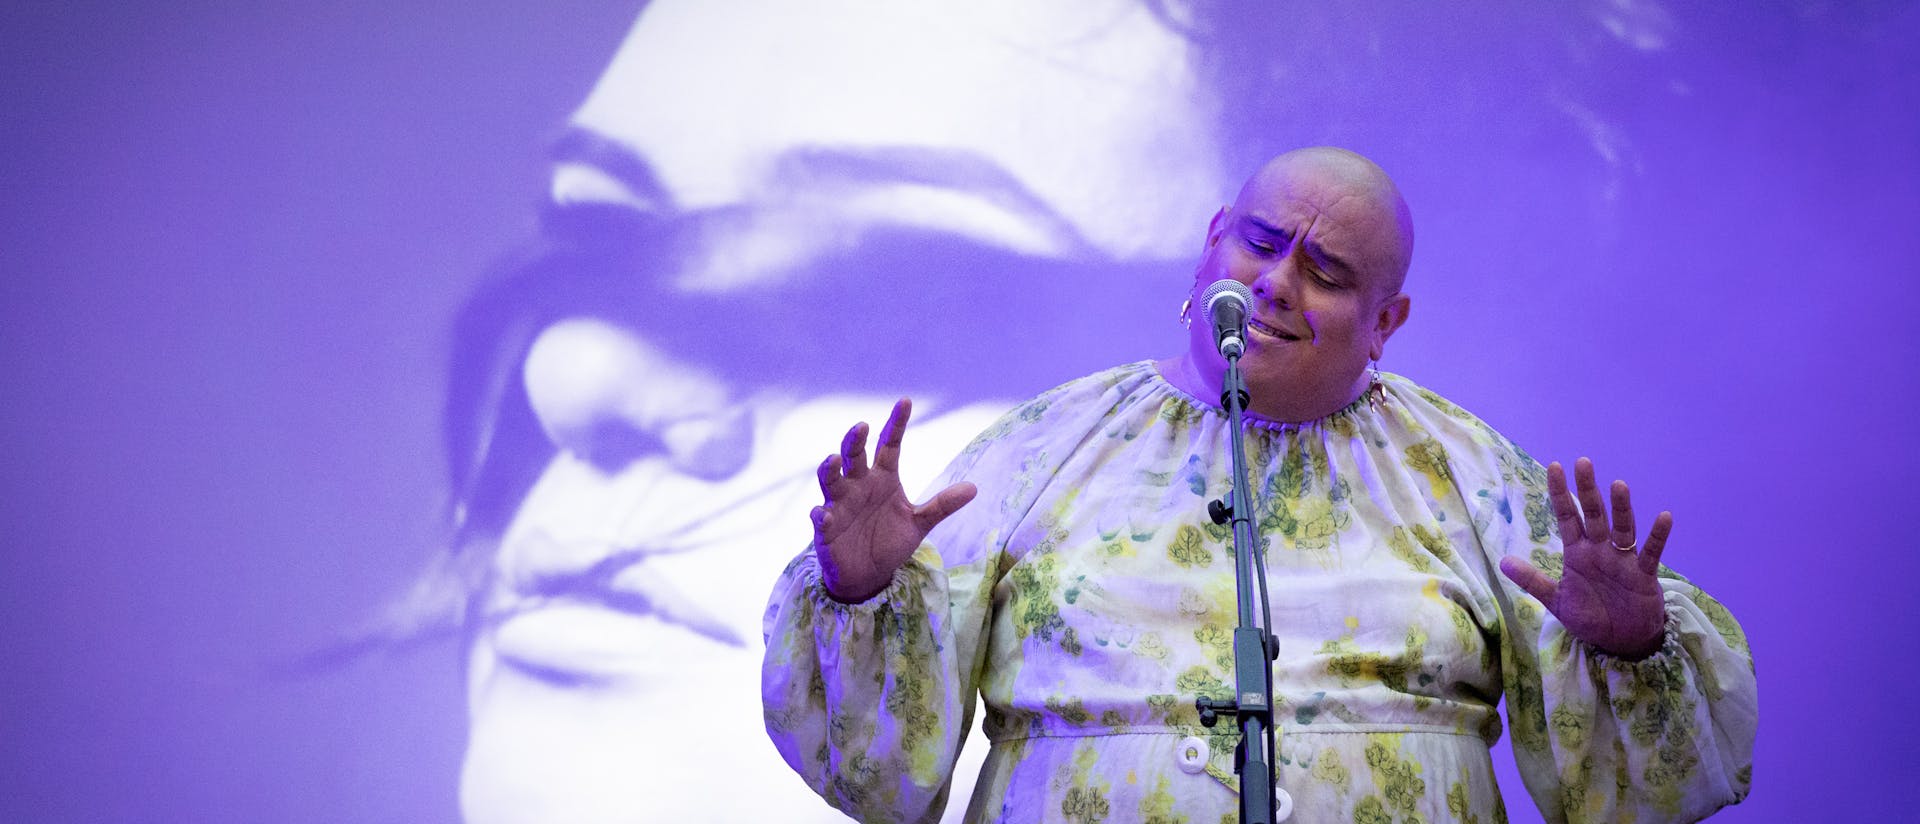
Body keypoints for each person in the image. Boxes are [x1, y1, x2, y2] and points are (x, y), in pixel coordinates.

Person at [762, 147, 1757, 822]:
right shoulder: (1049, 443)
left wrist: (1631, 650)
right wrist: (862, 596)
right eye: (1263, 242)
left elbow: (1637, 791)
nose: (1279, 282)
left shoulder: (1463, 472)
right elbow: (882, 769)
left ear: (1386, 321)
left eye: (1326, 270)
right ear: (1211, 243)